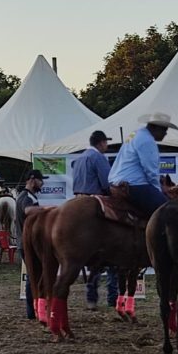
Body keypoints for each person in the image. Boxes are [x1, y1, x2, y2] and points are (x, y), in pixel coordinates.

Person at [73, 129, 118, 310]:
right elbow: (107, 183)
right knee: (114, 247)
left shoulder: (79, 159)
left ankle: (91, 296)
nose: (107, 145)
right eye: (106, 142)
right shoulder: (99, 158)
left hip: (78, 199)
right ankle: (113, 297)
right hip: (96, 201)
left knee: (89, 254)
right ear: (101, 143)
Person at [108, 113, 176, 217]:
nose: (165, 133)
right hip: (135, 185)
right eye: (164, 130)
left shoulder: (134, 134)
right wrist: (158, 190)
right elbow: (151, 171)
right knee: (169, 211)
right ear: (156, 128)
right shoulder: (147, 140)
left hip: (116, 181)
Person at [16, 169, 45, 319]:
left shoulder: (28, 196)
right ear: (32, 179)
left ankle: (34, 310)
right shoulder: (26, 197)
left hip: (26, 243)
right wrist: (47, 209)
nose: (42, 183)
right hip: (28, 244)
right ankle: (32, 311)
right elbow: (27, 210)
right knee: (33, 277)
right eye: (40, 180)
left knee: (34, 276)